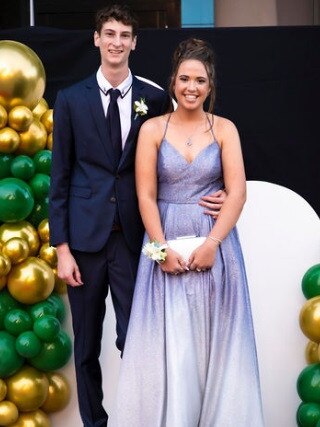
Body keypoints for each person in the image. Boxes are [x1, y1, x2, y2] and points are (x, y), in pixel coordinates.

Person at [49, 5, 225, 427]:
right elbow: (60, 176)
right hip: (86, 242)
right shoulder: (71, 100)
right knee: (87, 345)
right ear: (96, 39)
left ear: (134, 42)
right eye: (108, 33)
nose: (116, 42)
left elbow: (173, 156)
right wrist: (62, 248)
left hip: (136, 241)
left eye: (124, 35)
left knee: (140, 339)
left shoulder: (154, 97)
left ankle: (142, 418)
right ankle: (96, 423)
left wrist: (211, 187)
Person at [109, 38, 264, 427]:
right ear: (173, 82)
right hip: (165, 242)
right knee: (171, 344)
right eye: (184, 79)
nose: (191, 87)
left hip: (216, 250)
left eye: (200, 80)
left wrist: (214, 243)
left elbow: (238, 191)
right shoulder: (152, 129)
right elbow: (145, 194)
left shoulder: (226, 129)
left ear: (210, 85)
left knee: (212, 341)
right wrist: (160, 250)